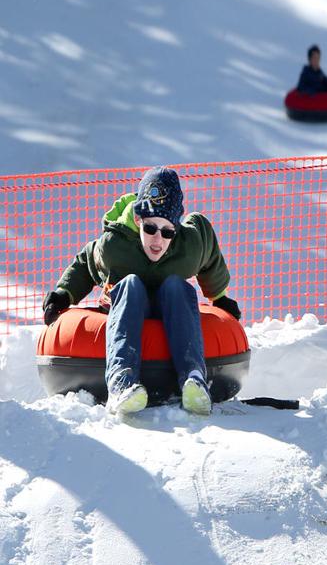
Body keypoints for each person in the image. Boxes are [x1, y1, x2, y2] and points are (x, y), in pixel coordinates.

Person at [41, 167, 241, 417]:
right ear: (138, 221)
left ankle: (194, 378)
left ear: (176, 230)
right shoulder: (116, 245)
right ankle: (121, 382)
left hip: (169, 305)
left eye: (167, 231)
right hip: (129, 303)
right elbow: (86, 262)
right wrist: (64, 293)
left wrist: (219, 296)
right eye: (150, 229)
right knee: (131, 284)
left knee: (177, 286)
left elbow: (210, 255)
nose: (158, 239)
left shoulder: (188, 247)